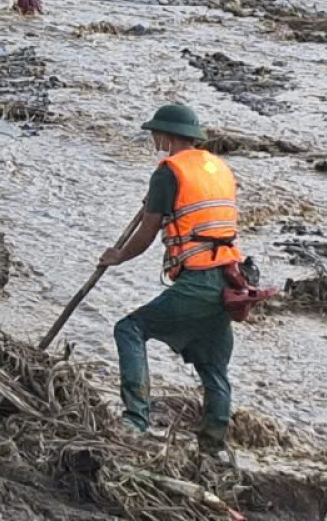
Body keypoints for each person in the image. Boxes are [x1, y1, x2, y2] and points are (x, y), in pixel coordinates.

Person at [100, 103, 245, 464]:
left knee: (129, 329)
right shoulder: (217, 167)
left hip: (197, 280)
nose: (154, 139)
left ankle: (135, 421)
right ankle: (214, 448)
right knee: (213, 367)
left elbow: (148, 232)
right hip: (228, 278)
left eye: (155, 134)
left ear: (166, 135)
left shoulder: (169, 171)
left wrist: (117, 256)